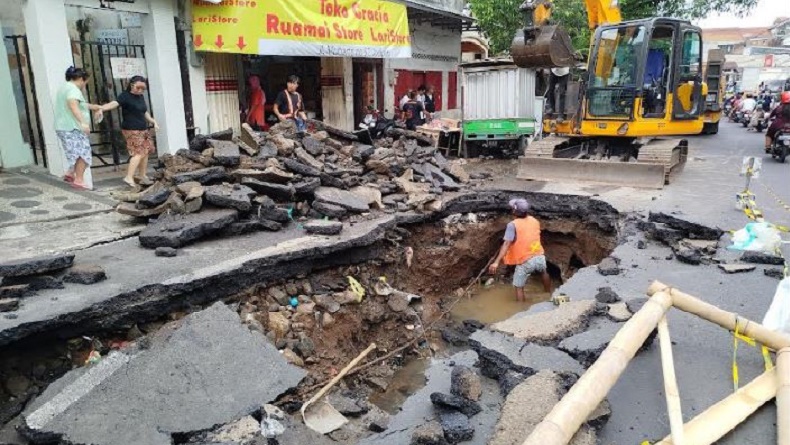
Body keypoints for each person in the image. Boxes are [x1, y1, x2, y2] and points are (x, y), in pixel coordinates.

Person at [98, 75, 160, 188]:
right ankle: (129, 177)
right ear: (132, 85)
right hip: (131, 129)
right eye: (138, 87)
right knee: (138, 153)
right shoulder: (125, 96)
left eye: (143, 88)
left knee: (145, 152)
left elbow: (144, 112)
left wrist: (153, 121)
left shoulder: (141, 97)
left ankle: (142, 175)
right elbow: (114, 104)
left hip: (143, 128)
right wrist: (102, 108)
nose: (140, 90)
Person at [488, 199, 552, 301]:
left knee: (519, 287)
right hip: (539, 255)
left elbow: (506, 243)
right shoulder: (534, 221)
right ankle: (548, 294)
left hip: (525, 261)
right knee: (544, 272)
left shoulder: (512, 225)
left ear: (514, 211)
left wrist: (496, 262)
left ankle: (521, 310)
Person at [55, 66, 102, 191]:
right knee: (83, 153)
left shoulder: (64, 87)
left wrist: (94, 107)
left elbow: (79, 104)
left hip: (64, 127)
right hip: (72, 127)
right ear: (81, 79)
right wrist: (84, 123)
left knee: (75, 152)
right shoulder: (74, 90)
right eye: (85, 82)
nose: (85, 84)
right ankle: (79, 180)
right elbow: (73, 104)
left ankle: (70, 173)